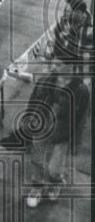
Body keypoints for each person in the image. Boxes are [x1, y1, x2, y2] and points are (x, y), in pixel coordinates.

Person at [23, 68, 91, 208]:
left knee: (56, 164)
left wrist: (75, 142)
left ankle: (55, 183)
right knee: (37, 159)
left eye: (61, 63)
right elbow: (33, 101)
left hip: (62, 134)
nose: (54, 64)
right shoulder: (46, 80)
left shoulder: (81, 90)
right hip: (41, 128)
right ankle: (37, 187)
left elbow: (81, 119)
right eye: (54, 60)